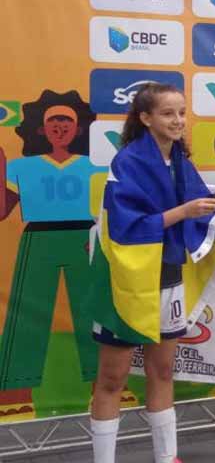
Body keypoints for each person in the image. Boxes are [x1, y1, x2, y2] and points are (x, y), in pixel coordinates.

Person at [88, 83, 215, 463]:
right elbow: (123, 227)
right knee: (112, 380)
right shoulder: (126, 163)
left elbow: (200, 215)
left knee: (163, 373)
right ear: (145, 119)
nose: (178, 120)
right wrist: (183, 212)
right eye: (167, 113)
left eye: (181, 112)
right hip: (125, 283)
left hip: (169, 277)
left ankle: (167, 457)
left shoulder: (179, 161)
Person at [0, 90, 100, 416]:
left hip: (83, 239)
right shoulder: (22, 167)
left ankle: (105, 387)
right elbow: (2, 211)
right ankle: (16, 394)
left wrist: (99, 237)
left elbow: (109, 207)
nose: (60, 126)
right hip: (38, 240)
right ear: (41, 129)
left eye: (66, 120)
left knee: (93, 314)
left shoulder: (93, 165)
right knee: (26, 315)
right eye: (53, 121)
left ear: (78, 128)